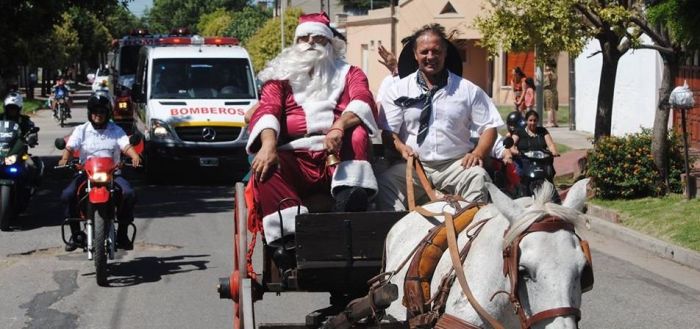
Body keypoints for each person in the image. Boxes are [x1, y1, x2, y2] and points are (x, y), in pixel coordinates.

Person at [246, 12, 379, 245]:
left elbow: (362, 99)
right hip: (294, 156)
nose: (310, 43)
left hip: (335, 155)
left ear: (330, 43)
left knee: (357, 133)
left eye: (318, 38)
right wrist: (268, 145)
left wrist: (339, 126)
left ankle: (348, 198)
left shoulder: (350, 73)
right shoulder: (279, 79)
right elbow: (268, 109)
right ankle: (287, 237)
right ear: (296, 44)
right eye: (304, 38)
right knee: (267, 166)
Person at [377, 24, 504, 210]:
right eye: (424, 52)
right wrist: (402, 148)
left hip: (456, 164)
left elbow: (490, 126)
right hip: (415, 167)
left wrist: (478, 153)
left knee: (478, 177)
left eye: (436, 51)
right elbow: (389, 133)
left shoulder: (468, 90)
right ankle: (404, 234)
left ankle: (468, 235)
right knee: (385, 183)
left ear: (445, 54)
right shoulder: (398, 90)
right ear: (415, 54)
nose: (430, 57)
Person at [59, 93, 142, 252]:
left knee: (129, 194)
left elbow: (126, 145)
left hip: (112, 174)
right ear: (90, 113)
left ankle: (123, 234)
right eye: (95, 111)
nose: (98, 115)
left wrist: (134, 156)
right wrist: (64, 159)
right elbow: (70, 147)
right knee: (67, 195)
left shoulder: (116, 130)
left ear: (107, 113)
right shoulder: (81, 130)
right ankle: (76, 234)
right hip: (86, 173)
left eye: (102, 111)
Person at [543, 61, 559, 127]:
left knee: (549, 108)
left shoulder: (550, 74)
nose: (546, 67)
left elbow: (544, 74)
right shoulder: (555, 73)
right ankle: (555, 122)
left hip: (549, 92)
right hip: (554, 91)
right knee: (554, 108)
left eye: (547, 65)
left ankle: (549, 122)